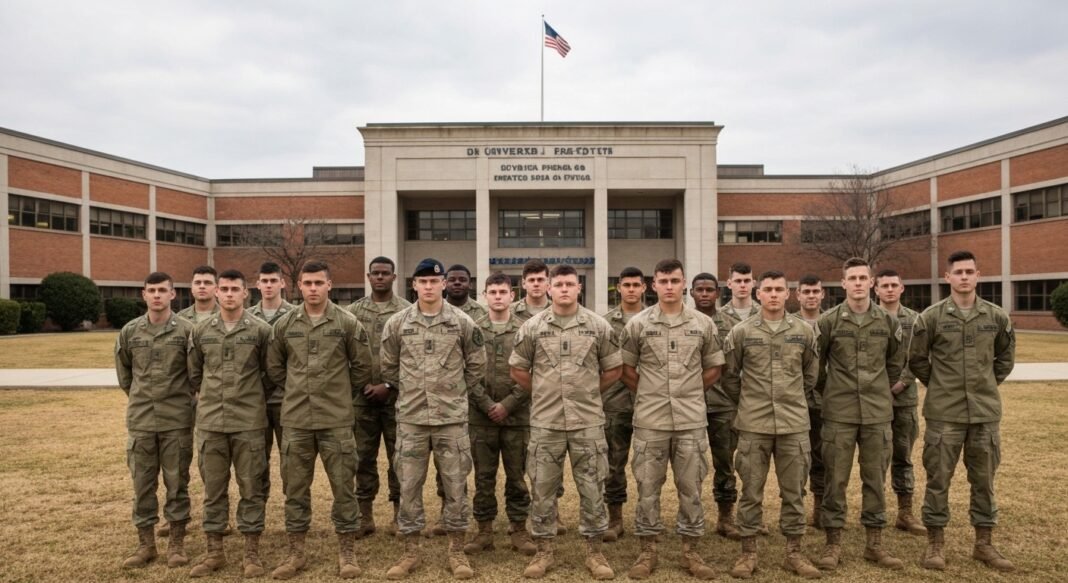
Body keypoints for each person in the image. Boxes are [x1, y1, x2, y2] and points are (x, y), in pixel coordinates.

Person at [509, 264, 622, 580]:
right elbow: (517, 369)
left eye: (570, 284)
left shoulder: (598, 326)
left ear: (578, 288)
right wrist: (545, 392)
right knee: (543, 489)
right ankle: (544, 552)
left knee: (592, 487)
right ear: (549, 288)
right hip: (546, 423)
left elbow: (614, 369)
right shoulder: (532, 327)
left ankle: (595, 552)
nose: (564, 289)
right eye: (558, 284)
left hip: (587, 422)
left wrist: (587, 392)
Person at [380, 258, 487, 580]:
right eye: (422, 281)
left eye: (434, 281)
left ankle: (456, 551)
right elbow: (388, 367)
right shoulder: (397, 323)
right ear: (414, 285)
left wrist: (452, 392)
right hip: (411, 419)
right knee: (409, 486)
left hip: (450, 420)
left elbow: (477, 365)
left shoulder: (462, 322)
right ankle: (410, 552)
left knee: (456, 487)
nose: (428, 286)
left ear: (443, 284)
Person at [909, 250, 1016, 572]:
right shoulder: (931, 318)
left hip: (984, 413)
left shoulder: (996, 317)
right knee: (938, 479)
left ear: (978, 275)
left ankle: (984, 544)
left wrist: (985, 384)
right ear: (948, 277)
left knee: (984, 481)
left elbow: (1005, 359)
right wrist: (941, 386)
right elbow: (917, 359)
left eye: (970, 271)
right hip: (944, 414)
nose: (964, 277)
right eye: (959, 272)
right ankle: (935, 544)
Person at [266, 260, 372, 580]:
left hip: (335, 419)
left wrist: (338, 392)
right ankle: (296, 552)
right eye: (307, 283)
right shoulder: (284, 324)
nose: (313, 289)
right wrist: (297, 388)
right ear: (299, 285)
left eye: (318, 283)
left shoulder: (347, 322)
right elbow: (274, 367)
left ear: (329, 285)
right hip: (296, 420)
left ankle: (347, 551)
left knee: (343, 488)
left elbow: (362, 367)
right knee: (295, 489)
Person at [620, 259, 724, 580]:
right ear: (654, 285)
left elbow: (714, 367)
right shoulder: (638, 324)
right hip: (650, 421)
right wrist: (652, 392)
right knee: (648, 488)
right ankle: (647, 550)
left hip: (690, 420)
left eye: (674, 281)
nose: (669, 286)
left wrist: (687, 391)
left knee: (691, 488)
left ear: (684, 285)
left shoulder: (703, 324)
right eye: (663, 281)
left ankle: (691, 551)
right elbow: (625, 369)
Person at [722, 270, 822, 580]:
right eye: (768, 289)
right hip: (754, 424)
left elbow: (811, 375)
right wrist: (749, 402)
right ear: (758, 294)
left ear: (788, 293)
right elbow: (730, 377)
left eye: (779, 289)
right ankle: (748, 553)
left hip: (793, 424)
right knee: (751, 491)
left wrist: (791, 399)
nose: (774, 294)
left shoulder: (804, 332)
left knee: (794, 492)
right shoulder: (741, 332)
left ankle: (794, 553)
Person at [815, 257, 906, 571]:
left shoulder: (887, 322)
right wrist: (832, 391)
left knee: (875, 479)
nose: (857, 283)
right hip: (839, 413)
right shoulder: (828, 321)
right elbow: (817, 367)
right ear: (843, 283)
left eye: (862, 278)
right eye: (851, 278)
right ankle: (833, 543)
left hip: (877, 413)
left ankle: (874, 543)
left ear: (871, 283)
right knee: (835, 479)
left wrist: (881, 390)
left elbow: (895, 362)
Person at [186, 269, 272, 577]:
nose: (230, 294)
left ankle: (251, 553)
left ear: (246, 292)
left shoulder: (261, 330)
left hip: (249, 421)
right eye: (224, 289)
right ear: (217, 292)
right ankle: (214, 552)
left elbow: (271, 373)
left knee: (252, 488)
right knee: (213, 489)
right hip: (211, 422)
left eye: (236, 289)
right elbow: (194, 373)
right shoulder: (201, 330)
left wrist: (251, 396)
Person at [116, 272, 196, 569]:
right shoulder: (130, 331)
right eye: (152, 290)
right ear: (144, 294)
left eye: (163, 290)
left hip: (176, 420)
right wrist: (143, 398)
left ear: (173, 294)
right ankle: (146, 545)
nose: (157, 295)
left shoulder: (187, 331)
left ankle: (176, 544)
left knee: (177, 484)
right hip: (142, 420)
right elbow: (125, 376)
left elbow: (195, 374)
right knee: (142, 484)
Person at [463, 272, 537, 557]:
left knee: (517, 476)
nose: (497, 296)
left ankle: (519, 529)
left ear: (512, 295)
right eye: (492, 292)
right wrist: (486, 404)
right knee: (484, 477)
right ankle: (484, 531)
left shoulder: (525, 329)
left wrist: (508, 404)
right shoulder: (473, 329)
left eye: (502, 292)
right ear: (484, 295)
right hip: (481, 418)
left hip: (517, 418)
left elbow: (533, 371)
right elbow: (466, 372)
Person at [347, 256, 411, 537]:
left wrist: (389, 384)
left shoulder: (407, 311)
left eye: (386, 273)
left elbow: (412, 357)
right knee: (362, 457)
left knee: (399, 457)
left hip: (398, 398)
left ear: (394, 277)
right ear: (368, 276)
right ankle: (365, 515)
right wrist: (362, 384)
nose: (380, 277)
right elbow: (346, 354)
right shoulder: (352, 312)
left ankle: (399, 514)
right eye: (376, 273)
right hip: (362, 399)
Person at [509, 258, 568, 535]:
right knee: (521, 462)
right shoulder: (511, 314)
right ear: (523, 283)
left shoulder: (561, 311)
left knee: (551, 460)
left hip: (551, 402)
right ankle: (521, 515)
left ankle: (552, 512)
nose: (536, 284)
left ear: (548, 283)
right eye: (530, 280)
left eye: (540, 279)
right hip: (517, 399)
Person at [873, 268, 926, 536]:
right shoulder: (869, 318)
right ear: (876, 290)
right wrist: (877, 386)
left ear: (902, 288)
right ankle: (875, 511)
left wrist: (902, 382)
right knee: (875, 460)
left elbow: (919, 356)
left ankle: (905, 512)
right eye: (885, 286)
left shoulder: (915, 320)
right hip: (873, 401)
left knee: (902, 457)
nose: (890, 289)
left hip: (903, 400)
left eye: (894, 285)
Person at [691, 272, 742, 540]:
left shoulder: (733, 326)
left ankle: (725, 517)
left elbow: (739, 366)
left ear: (718, 293)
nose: (704, 294)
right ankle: (691, 516)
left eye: (709, 289)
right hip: (690, 405)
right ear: (691, 293)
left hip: (723, 405)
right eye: (699, 289)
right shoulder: (684, 322)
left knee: (725, 463)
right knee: (689, 465)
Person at [599, 266, 646, 542]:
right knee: (613, 464)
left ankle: (647, 518)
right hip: (614, 403)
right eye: (626, 285)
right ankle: (615, 519)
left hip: (649, 404)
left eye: (635, 285)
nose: (631, 289)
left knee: (649, 465)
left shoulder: (655, 319)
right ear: (618, 288)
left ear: (644, 288)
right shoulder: (605, 324)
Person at [247, 261, 295, 514]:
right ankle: (257, 512)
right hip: (254, 400)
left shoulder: (294, 316)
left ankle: (293, 512)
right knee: (255, 459)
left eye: (273, 281)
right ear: (257, 284)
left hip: (285, 399)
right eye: (264, 281)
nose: (268, 286)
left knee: (291, 459)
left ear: (282, 283)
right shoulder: (247, 317)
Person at [793, 274, 826, 529]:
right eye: (806, 291)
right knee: (795, 459)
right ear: (798, 295)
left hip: (826, 400)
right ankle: (795, 511)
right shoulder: (789, 324)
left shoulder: (831, 322)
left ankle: (820, 507)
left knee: (822, 456)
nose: (811, 296)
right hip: (796, 402)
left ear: (822, 294)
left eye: (815, 291)